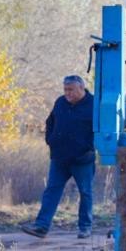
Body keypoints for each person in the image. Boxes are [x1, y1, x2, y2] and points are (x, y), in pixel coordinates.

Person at [20, 75, 95, 239]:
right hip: (59, 158)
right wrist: (50, 140)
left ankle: (85, 227)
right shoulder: (60, 102)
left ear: (81, 88)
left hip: (82, 159)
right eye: (65, 89)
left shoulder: (94, 104)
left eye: (71, 90)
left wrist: (88, 147)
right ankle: (41, 226)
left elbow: (100, 130)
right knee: (51, 191)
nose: (67, 93)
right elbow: (50, 122)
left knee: (85, 192)